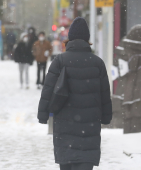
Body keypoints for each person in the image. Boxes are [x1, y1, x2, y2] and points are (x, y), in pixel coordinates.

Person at [37, 17, 112, 170]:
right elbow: (105, 94)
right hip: (89, 128)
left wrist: (43, 114)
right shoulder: (97, 63)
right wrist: (106, 116)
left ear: (69, 38)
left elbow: (48, 89)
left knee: (67, 163)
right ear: (87, 39)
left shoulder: (59, 61)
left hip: (65, 128)